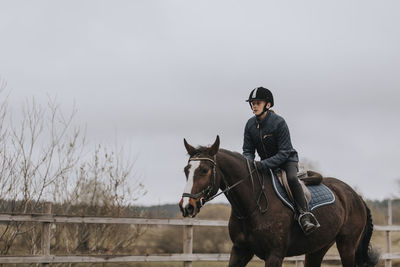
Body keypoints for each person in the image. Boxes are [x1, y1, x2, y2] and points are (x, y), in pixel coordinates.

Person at [242, 86, 319, 234]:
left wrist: (263, 164)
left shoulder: (279, 122)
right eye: (252, 103)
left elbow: (284, 152)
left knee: (291, 178)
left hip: (287, 161)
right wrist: (248, 164)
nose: (254, 105)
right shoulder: (250, 125)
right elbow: (248, 151)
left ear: (268, 104)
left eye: (258, 102)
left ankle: (305, 215)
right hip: (266, 164)